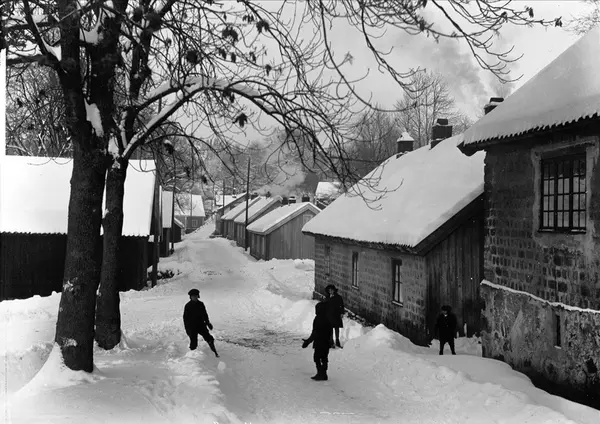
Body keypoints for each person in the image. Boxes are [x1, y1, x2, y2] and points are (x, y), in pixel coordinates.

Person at [183, 288, 219, 357]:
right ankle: (192, 357)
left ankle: (214, 352)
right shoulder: (188, 306)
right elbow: (185, 319)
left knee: (209, 338)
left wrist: (208, 323)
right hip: (192, 327)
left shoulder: (201, 304)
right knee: (193, 342)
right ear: (190, 297)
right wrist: (187, 329)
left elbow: (205, 314)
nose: (195, 297)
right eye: (193, 296)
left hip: (201, 325)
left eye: (196, 296)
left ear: (198, 296)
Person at [302, 301, 332, 381]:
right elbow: (330, 330)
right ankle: (324, 374)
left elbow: (315, 332)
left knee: (317, 358)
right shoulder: (328, 318)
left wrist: (308, 341)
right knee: (324, 358)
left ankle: (320, 373)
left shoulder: (318, 319)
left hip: (319, 342)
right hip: (326, 342)